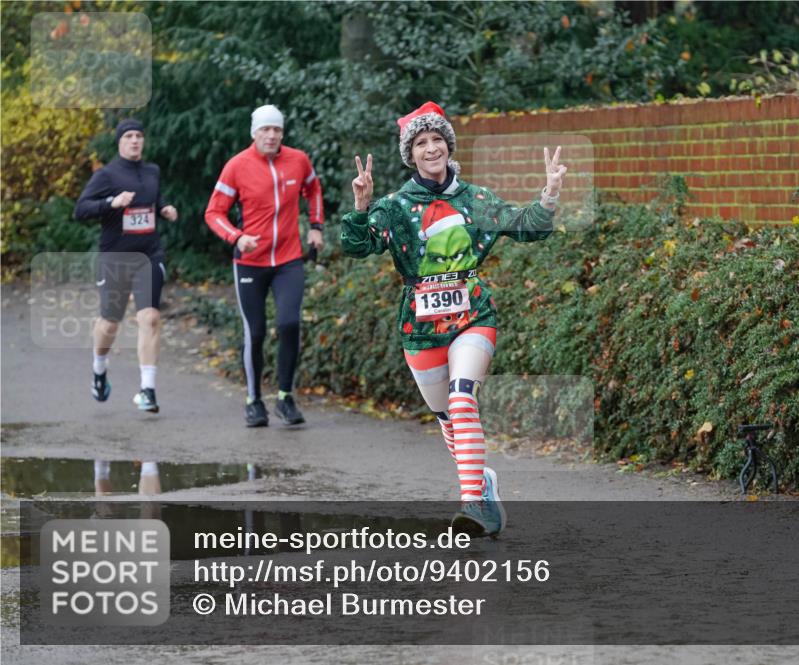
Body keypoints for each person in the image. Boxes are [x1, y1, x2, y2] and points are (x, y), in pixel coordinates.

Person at [340, 101, 567, 537]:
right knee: (447, 417)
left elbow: (527, 226)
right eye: (421, 143)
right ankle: (481, 482)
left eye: (437, 140)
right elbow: (358, 245)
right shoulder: (396, 205)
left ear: (448, 145)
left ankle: (473, 505)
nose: (431, 149)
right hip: (421, 328)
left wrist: (550, 193)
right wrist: (361, 205)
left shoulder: (474, 199)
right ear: (411, 155)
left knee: (463, 400)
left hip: (472, 316)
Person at [204, 104, 325, 427]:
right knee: (255, 332)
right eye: (265, 129)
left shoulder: (298, 160)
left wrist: (316, 226)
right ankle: (253, 400)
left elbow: (313, 189)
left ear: (282, 133)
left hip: (288, 259)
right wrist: (236, 237)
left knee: (289, 323)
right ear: (254, 132)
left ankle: (285, 397)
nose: (271, 135)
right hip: (250, 263)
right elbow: (213, 212)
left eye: (277, 129)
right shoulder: (237, 166)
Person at [74, 118, 178, 413]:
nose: (135, 141)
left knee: (150, 317)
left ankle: (148, 391)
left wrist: (164, 208)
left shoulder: (152, 171)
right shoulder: (106, 175)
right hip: (115, 259)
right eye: (129, 136)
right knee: (110, 322)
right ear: (119, 141)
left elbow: (154, 198)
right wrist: (112, 202)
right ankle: (99, 369)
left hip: (148, 256)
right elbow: (80, 210)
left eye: (139, 136)